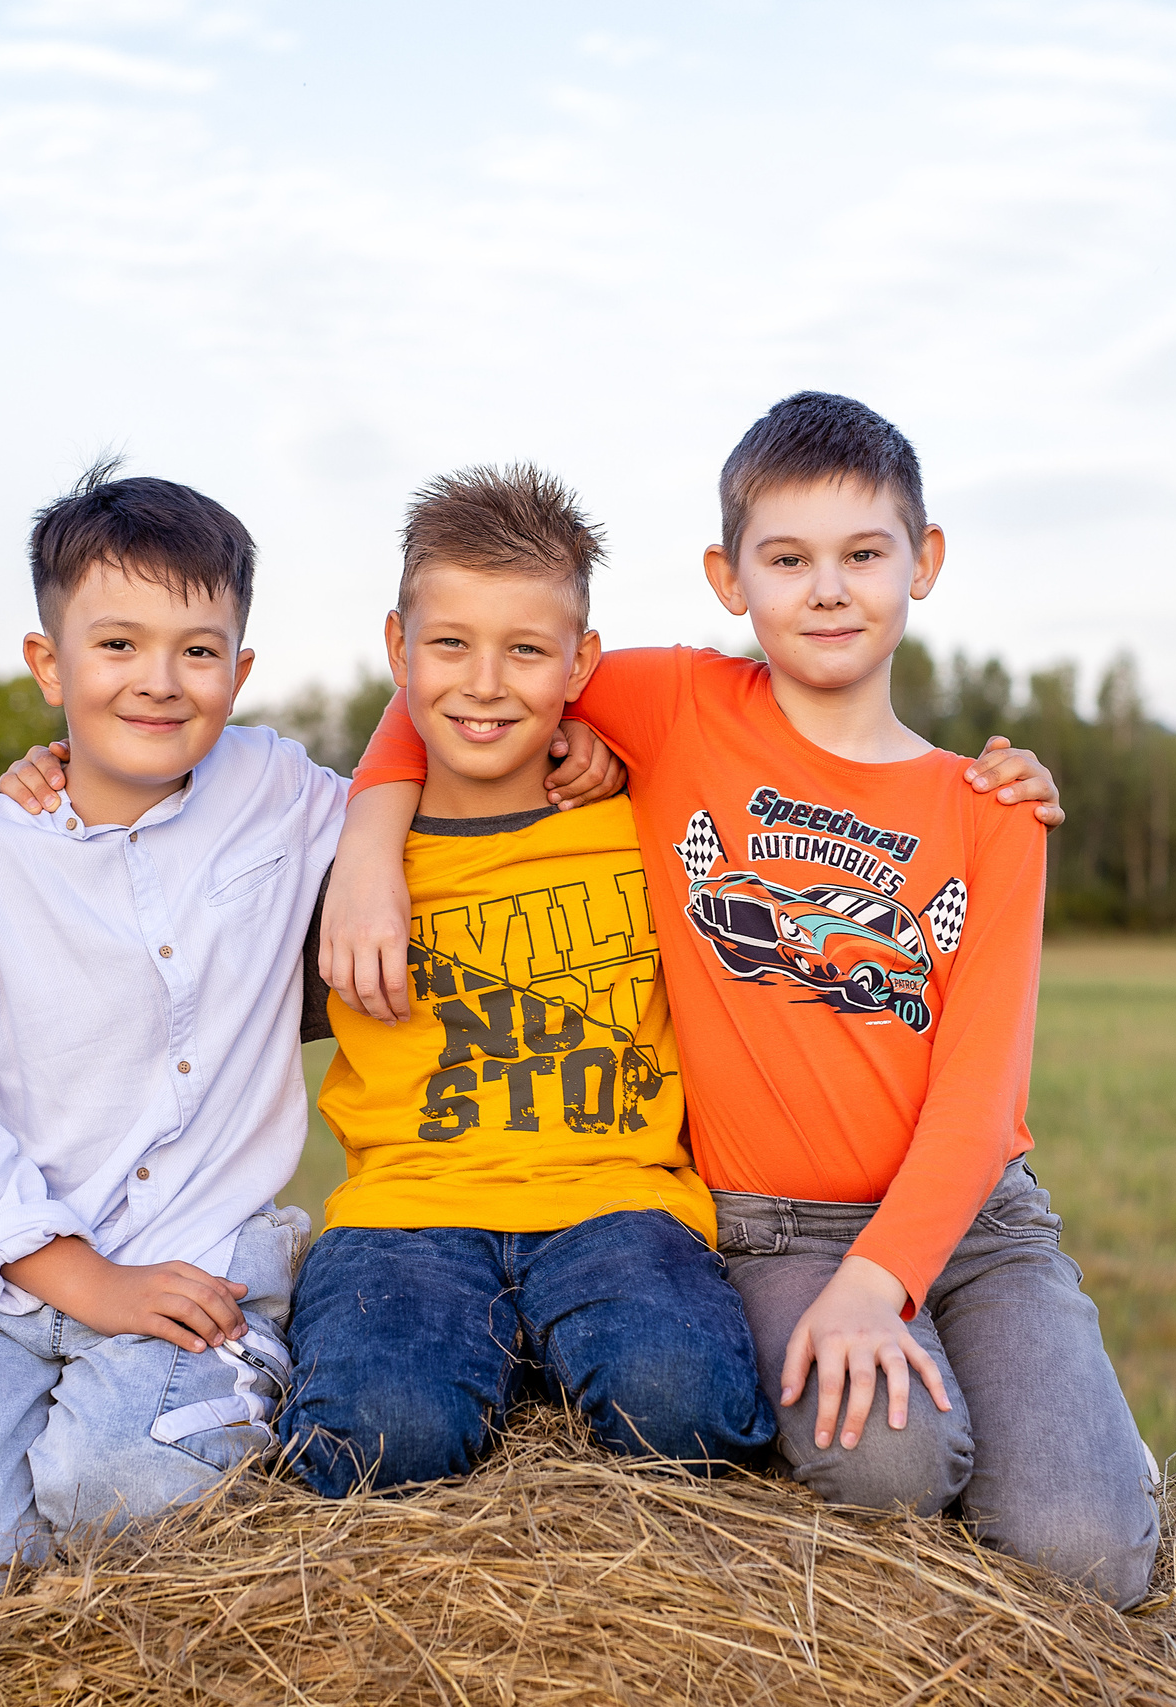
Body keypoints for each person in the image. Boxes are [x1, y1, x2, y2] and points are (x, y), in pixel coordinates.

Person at [323, 392, 1160, 1606]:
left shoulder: (990, 808)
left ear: (922, 563)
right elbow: (461, 672)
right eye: (787, 560)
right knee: (888, 1466)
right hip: (776, 1230)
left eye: (862, 555)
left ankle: (1089, 1450)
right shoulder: (676, 704)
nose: (827, 591)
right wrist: (367, 839)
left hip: (976, 1223)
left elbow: (982, 1103)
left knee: (1083, 1552)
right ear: (729, 579)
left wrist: (880, 1284)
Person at [0, 464, 622, 1619]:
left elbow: (442, 736)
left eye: (197, 651)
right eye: (116, 646)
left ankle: (224, 1391)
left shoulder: (274, 789)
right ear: (49, 665)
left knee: (126, 1495)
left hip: (200, 1263)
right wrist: (86, 1284)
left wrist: (586, 748)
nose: (158, 681)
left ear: (240, 670)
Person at [274, 464, 780, 1492]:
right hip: (407, 1211)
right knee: (380, 1437)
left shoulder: (646, 817)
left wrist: (981, 790)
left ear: (579, 662)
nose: (485, 683)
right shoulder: (336, 854)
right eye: (450, 645)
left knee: (685, 1405)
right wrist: (40, 795)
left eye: (526, 651)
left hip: (619, 1199)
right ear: (398, 649)